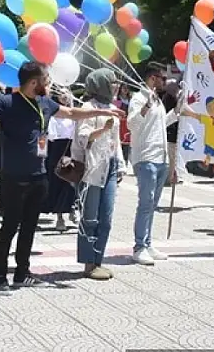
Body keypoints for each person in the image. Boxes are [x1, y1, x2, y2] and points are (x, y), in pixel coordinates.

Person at [0, 62, 122, 295]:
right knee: (9, 227)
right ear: (33, 82)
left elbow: (71, 113)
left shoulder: (44, 103)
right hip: (14, 177)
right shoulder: (6, 103)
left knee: (29, 227)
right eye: (46, 79)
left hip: (38, 176)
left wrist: (102, 111)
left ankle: (22, 273)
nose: (49, 82)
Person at [74, 69, 125, 280]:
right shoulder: (88, 108)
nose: (116, 86)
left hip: (110, 166)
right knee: (90, 217)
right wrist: (104, 128)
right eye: (112, 82)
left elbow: (116, 142)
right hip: (92, 168)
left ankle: (99, 260)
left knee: (107, 218)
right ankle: (88, 264)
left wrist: (120, 164)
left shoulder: (113, 108)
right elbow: (82, 138)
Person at [128, 64, 176, 265]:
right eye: (162, 78)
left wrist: (176, 113)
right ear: (152, 78)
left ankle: (147, 243)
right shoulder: (139, 98)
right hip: (146, 157)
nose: (165, 81)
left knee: (153, 204)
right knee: (145, 203)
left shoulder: (157, 100)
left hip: (160, 157)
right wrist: (145, 107)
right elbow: (132, 124)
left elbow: (159, 124)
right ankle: (139, 246)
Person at [42, 91, 77, 232]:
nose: (65, 96)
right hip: (57, 151)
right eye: (62, 94)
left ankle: (73, 209)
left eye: (67, 94)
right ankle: (60, 217)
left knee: (72, 183)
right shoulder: (54, 116)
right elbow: (51, 136)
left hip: (73, 149)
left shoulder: (74, 114)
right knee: (58, 183)